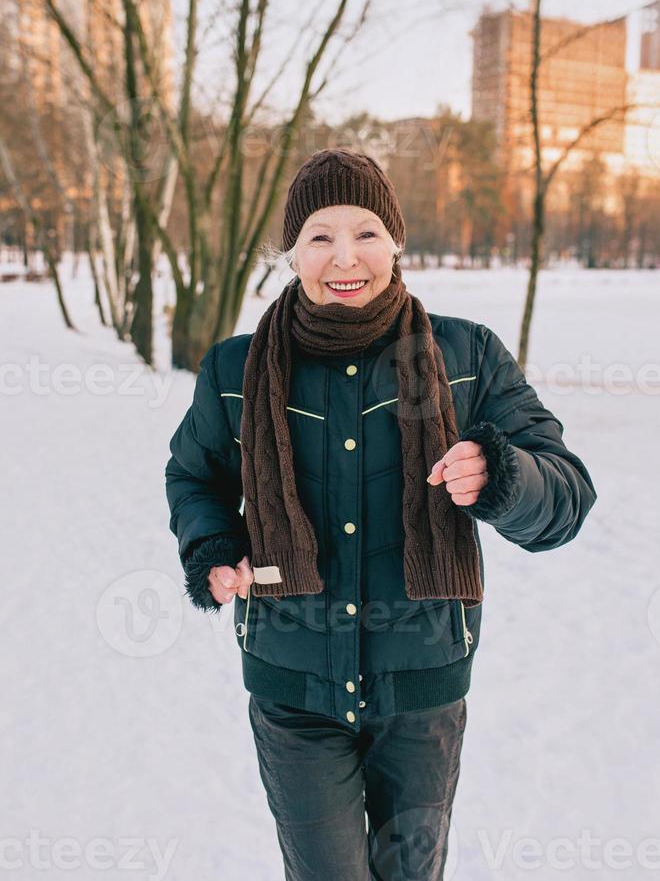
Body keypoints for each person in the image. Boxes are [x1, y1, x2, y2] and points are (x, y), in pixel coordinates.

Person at [165, 148, 597, 880]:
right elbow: (194, 476)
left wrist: (504, 474)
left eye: (365, 232)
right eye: (320, 236)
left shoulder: (469, 357)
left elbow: (567, 497)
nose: (345, 257)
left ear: (395, 240)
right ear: (290, 253)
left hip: (422, 686)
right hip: (292, 685)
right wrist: (213, 547)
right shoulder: (234, 370)